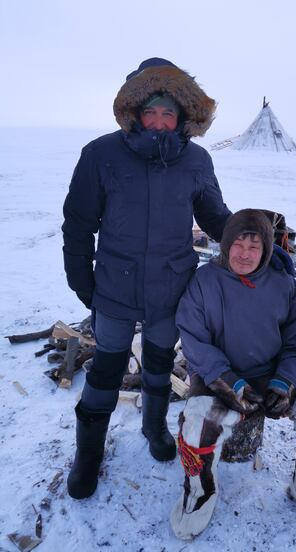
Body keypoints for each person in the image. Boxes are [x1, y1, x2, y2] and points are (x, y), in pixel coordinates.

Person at [62, 57, 231, 499]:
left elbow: (214, 216)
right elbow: (78, 224)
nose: (158, 122)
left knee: (158, 365)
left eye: (168, 113)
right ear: (135, 112)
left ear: (182, 118)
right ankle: (88, 457)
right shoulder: (101, 154)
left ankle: (154, 430)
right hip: (114, 287)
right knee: (105, 371)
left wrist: (253, 241)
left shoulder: (196, 161)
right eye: (150, 111)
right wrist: (83, 281)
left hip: (171, 287)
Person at [170, 209, 296, 540]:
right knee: (197, 422)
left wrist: (285, 382)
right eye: (238, 243)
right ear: (226, 245)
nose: (244, 253)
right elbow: (193, 339)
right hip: (221, 380)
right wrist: (228, 381)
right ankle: (201, 492)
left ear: (267, 249)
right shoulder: (204, 282)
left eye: (254, 246)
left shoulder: (284, 285)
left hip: (274, 377)